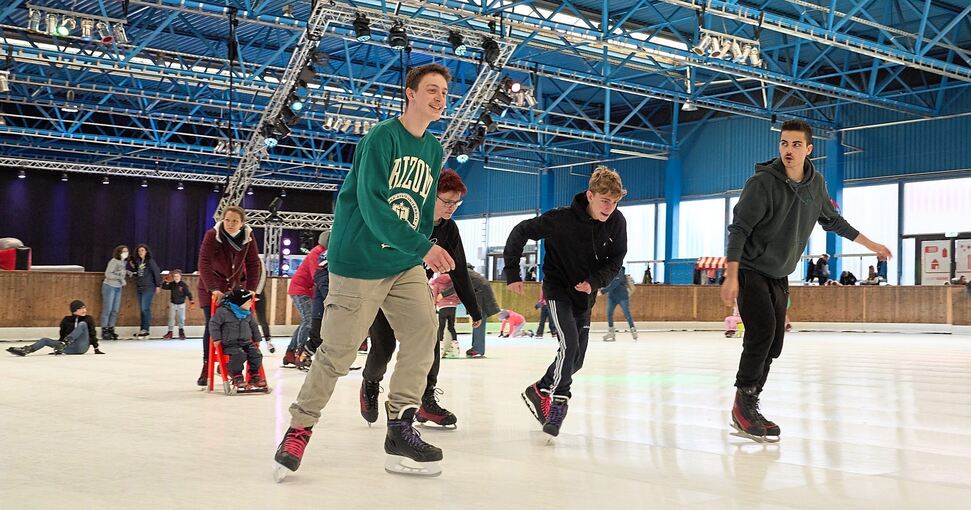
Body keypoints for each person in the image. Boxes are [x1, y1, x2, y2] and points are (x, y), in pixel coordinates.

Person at [273, 63, 452, 480]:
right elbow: (373, 208)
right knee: (337, 353)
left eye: (444, 92)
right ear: (410, 93)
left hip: (402, 261)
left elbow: (423, 212)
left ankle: (400, 425)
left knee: (425, 332)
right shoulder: (381, 139)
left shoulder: (434, 148)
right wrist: (424, 247)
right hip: (358, 261)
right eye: (431, 90)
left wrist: (420, 247)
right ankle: (299, 428)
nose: (440, 98)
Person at [722, 119, 892, 442]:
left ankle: (748, 404)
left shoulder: (816, 187)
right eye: (784, 143)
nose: (788, 150)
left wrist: (872, 246)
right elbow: (739, 229)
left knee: (774, 343)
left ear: (809, 149)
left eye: (796, 145)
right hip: (750, 269)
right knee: (762, 333)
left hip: (779, 274)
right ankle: (742, 406)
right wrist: (731, 274)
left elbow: (834, 222)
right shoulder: (762, 184)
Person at [506, 166, 627, 439]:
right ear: (590, 195)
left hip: (585, 296)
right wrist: (513, 272)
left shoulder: (617, 222)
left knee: (577, 359)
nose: (610, 207)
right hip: (558, 291)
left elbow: (616, 259)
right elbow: (520, 231)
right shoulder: (561, 219)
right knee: (568, 345)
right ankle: (559, 401)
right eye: (605, 201)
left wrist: (595, 282)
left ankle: (539, 390)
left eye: (615, 201)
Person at [359, 169, 482, 429]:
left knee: (430, 340)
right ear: (430, 197)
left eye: (456, 202)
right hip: (384, 284)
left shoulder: (449, 229)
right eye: (446, 201)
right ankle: (371, 381)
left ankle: (425, 401)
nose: (451, 207)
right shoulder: (410, 218)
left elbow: (458, 267)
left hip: (414, 288)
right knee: (384, 347)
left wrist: (474, 308)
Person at [196, 206, 262, 386]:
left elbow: (253, 263)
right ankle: (207, 364)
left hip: (234, 290)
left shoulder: (248, 237)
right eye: (227, 220)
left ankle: (231, 362)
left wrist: (251, 289)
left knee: (236, 326)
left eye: (235, 221)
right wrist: (213, 289)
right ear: (222, 220)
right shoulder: (213, 235)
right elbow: (204, 262)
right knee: (213, 325)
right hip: (211, 287)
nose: (230, 224)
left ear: (242, 223)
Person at [208, 288, 267, 393]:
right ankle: (237, 376)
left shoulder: (247, 313)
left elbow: (254, 326)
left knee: (256, 354)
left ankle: (254, 375)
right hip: (230, 343)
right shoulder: (223, 312)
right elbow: (214, 324)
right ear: (240, 302)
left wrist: (257, 338)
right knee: (238, 355)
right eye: (249, 301)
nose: (251, 303)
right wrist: (216, 338)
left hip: (246, 342)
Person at [283, 233, 327, 369]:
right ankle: (300, 353)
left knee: (305, 321)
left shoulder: (321, 252)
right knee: (308, 321)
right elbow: (317, 276)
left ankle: (290, 353)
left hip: (305, 290)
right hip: (300, 290)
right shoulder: (318, 253)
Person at [7, 300, 105, 356]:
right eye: (80, 308)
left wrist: (96, 348)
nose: (84, 310)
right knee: (45, 340)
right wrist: (60, 345)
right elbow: (62, 334)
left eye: (84, 308)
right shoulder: (66, 320)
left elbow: (92, 334)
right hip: (69, 348)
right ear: (74, 310)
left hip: (82, 346)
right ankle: (26, 350)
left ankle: (65, 343)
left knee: (82, 324)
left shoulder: (88, 319)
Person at [466, 263, 499, 357]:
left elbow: (455, 287)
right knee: (478, 323)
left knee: (478, 323)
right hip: (483, 301)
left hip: (482, 302)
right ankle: (476, 347)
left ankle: (478, 349)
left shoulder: (467, 273)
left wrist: (443, 294)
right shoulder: (473, 274)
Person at [128, 244, 161, 337]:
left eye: (142, 250)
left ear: (146, 251)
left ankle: (146, 329)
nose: (140, 252)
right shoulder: (139, 262)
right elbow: (139, 272)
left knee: (145, 308)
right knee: (142, 309)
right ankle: (142, 328)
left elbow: (156, 272)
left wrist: (158, 285)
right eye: (139, 251)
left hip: (149, 287)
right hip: (140, 287)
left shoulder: (150, 261)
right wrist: (133, 265)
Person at [600, 266, 637, 341]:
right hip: (612, 297)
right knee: (609, 313)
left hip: (622, 297)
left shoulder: (619, 271)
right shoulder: (610, 269)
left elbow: (615, 283)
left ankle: (633, 330)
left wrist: (603, 291)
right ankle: (611, 332)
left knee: (627, 314)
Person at [429, 272, 461, 358]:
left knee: (441, 327)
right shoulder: (452, 281)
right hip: (452, 306)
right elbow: (457, 292)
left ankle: (440, 349)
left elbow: (435, 294)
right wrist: (456, 301)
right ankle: (456, 347)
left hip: (443, 306)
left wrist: (435, 303)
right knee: (451, 327)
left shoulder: (437, 281)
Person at [100, 245, 128, 340]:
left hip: (118, 287)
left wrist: (127, 272)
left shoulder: (123, 262)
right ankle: (105, 329)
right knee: (107, 309)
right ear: (119, 252)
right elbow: (108, 274)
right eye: (124, 251)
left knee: (115, 310)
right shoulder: (113, 261)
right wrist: (119, 278)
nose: (126, 253)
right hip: (110, 286)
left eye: (127, 251)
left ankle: (111, 329)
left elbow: (120, 271)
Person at [161, 269, 194, 340]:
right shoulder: (172, 284)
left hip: (181, 304)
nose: (176, 277)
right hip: (173, 304)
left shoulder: (183, 285)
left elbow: (188, 293)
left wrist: (191, 301)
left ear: (180, 276)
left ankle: (181, 332)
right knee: (171, 318)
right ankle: (170, 332)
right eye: (175, 276)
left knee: (181, 318)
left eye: (177, 276)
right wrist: (166, 280)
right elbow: (164, 287)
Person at [253, 256, 275, 353]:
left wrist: (257, 293)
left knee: (262, 319)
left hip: (258, 293)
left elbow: (263, 276)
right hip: (246, 293)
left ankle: (268, 340)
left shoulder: (258, 259)